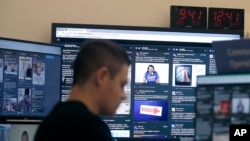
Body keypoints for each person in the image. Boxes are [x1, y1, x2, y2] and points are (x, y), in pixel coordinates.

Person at [34, 40, 131, 141]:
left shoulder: (48, 124)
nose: (123, 95)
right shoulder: (92, 130)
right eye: (122, 85)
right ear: (102, 76)